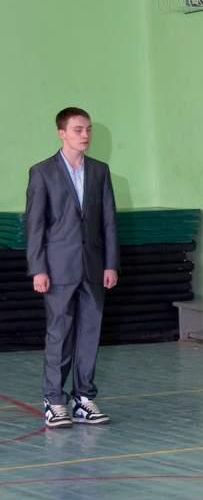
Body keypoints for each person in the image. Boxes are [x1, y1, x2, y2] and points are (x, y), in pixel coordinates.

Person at [26, 107, 118, 428]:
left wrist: (110, 264)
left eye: (88, 129)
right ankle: (54, 401)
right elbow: (35, 225)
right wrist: (38, 268)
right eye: (78, 129)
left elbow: (109, 222)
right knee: (59, 335)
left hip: (93, 267)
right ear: (61, 133)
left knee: (90, 334)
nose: (85, 135)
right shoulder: (42, 172)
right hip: (57, 269)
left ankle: (83, 398)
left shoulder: (100, 171)